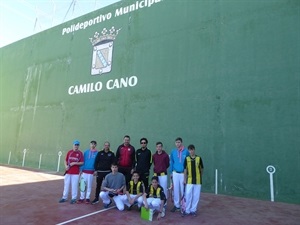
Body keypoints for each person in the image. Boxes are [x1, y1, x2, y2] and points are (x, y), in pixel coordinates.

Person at [59, 140, 84, 204]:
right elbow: (65, 160)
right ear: (73, 145)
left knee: (74, 185)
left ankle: (74, 198)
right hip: (68, 172)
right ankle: (64, 197)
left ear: (78, 146)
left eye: (77, 145)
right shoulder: (69, 152)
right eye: (75, 145)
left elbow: (82, 162)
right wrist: (66, 166)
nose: (76, 146)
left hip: (75, 173)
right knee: (66, 185)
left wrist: (75, 163)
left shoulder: (80, 153)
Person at [182, 144, 204, 217]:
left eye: (192, 149)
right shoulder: (187, 158)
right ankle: (187, 210)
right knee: (188, 195)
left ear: (194, 150)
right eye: (190, 150)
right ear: (188, 151)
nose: (191, 151)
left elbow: (201, 169)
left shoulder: (199, 158)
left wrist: (200, 177)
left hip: (198, 181)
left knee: (196, 196)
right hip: (189, 180)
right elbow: (185, 169)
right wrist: (184, 179)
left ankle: (193, 210)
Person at [169, 137, 189, 212]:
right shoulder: (173, 151)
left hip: (183, 174)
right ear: (175, 143)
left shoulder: (186, 151)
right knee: (176, 190)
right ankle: (176, 205)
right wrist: (171, 172)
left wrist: (186, 174)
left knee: (183, 190)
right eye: (176, 142)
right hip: (175, 173)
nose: (178, 144)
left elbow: (188, 163)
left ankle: (184, 206)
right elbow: (171, 162)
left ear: (181, 143)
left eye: (179, 142)